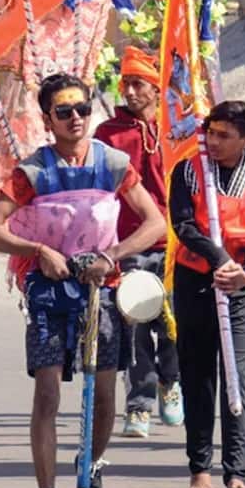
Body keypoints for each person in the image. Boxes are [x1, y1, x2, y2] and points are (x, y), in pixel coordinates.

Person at [0, 73, 165, 488]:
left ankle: (91, 463)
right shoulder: (31, 172)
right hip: (50, 293)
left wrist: (111, 257)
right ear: (49, 120)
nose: (76, 118)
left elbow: (155, 223)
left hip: (105, 291)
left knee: (103, 394)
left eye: (82, 109)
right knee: (47, 395)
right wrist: (38, 252)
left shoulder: (114, 165)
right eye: (65, 112)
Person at [169, 101, 245, 488]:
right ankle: (200, 468)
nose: (213, 141)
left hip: (239, 287)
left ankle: (238, 472)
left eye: (224, 136)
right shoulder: (188, 173)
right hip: (196, 281)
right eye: (211, 132)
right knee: (198, 375)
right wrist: (219, 260)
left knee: (238, 376)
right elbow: (183, 225)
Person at [92, 46, 183, 438]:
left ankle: (171, 382)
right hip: (127, 244)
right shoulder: (107, 134)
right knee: (135, 323)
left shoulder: (178, 126)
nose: (128, 91)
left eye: (138, 84)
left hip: (176, 245)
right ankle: (140, 402)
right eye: (125, 83)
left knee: (173, 323)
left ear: (157, 85)